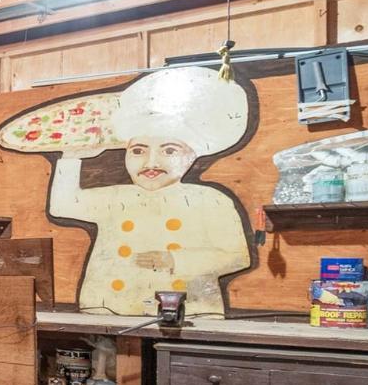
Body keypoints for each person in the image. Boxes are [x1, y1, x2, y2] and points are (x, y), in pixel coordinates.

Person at [48, 67, 251, 317]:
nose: (151, 162)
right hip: (110, 306)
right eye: (138, 151)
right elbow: (64, 206)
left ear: (192, 156)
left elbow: (237, 257)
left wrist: (176, 261)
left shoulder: (211, 200)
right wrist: (71, 157)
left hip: (191, 309)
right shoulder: (116, 197)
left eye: (169, 151)